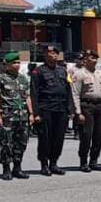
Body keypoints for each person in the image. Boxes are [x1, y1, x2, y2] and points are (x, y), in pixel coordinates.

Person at [30, 45, 71, 176]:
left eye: (54, 53)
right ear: (45, 55)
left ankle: (54, 163)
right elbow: (34, 93)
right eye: (49, 53)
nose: (52, 55)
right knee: (45, 138)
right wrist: (36, 113)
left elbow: (68, 90)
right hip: (46, 108)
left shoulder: (63, 71)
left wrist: (70, 109)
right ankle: (44, 164)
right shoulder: (38, 71)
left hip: (61, 109)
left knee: (59, 138)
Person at [0, 52, 32, 180]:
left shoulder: (23, 79)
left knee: (21, 143)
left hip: (22, 116)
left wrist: (31, 113)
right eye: (14, 63)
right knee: (6, 143)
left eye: (18, 62)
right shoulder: (0, 79)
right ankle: (6, 168)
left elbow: (27, 97)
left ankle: (17, 168)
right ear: (7, 65)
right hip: (7, 116)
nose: (17, 65)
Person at [70, 50, 101, 172]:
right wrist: (78, 112)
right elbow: (75, 94)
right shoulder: (79, 74)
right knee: (86, 135)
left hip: (100, 106)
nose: (94, 60)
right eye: (91, 58)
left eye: (95, 58)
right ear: (85, 60)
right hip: (86, 106)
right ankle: (83, 162)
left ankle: (94, 161)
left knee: (99, 135)